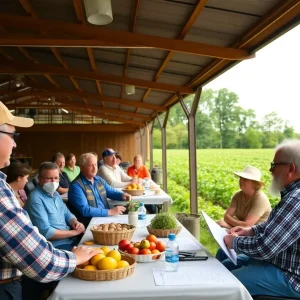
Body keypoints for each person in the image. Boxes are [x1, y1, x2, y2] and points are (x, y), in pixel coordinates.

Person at [0, 101, 100, 300]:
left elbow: (67, 213)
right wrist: (76, 258)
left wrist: (73, 222)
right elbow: (42, 262)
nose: (15, 144)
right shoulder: (8, 194)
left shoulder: (53, 195)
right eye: (13, 136)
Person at [219, 139, 300, 298]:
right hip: (276, 262)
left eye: (274, 165)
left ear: (290, 168)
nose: (271, 170)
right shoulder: (291, 195)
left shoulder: (296, 200)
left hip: (289, 275)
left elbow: (267, 247)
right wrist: (250, 230)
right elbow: (275, 227)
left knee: (226, 285)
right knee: (226, 265)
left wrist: (235, 242)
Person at [25, 162, 85, 251]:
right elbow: (46, 232)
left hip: (70, 240)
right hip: (55, 247)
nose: (53, 182)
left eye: (56, 178)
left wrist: (75, 223)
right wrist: (74, 232)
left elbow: (67, 214)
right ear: (39, 179)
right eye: (49, 178)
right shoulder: (35, 198)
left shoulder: (56, 194)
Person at [68, 153, 131, 227]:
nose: (94, 168)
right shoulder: (76, 186)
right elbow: (85, 210)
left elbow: (111, 191)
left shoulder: (99, 180)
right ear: (82, 168)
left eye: (95, 165)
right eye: (91, 165)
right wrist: (110, 211)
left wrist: (123, 195)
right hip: (89, 224)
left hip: (106, 220)